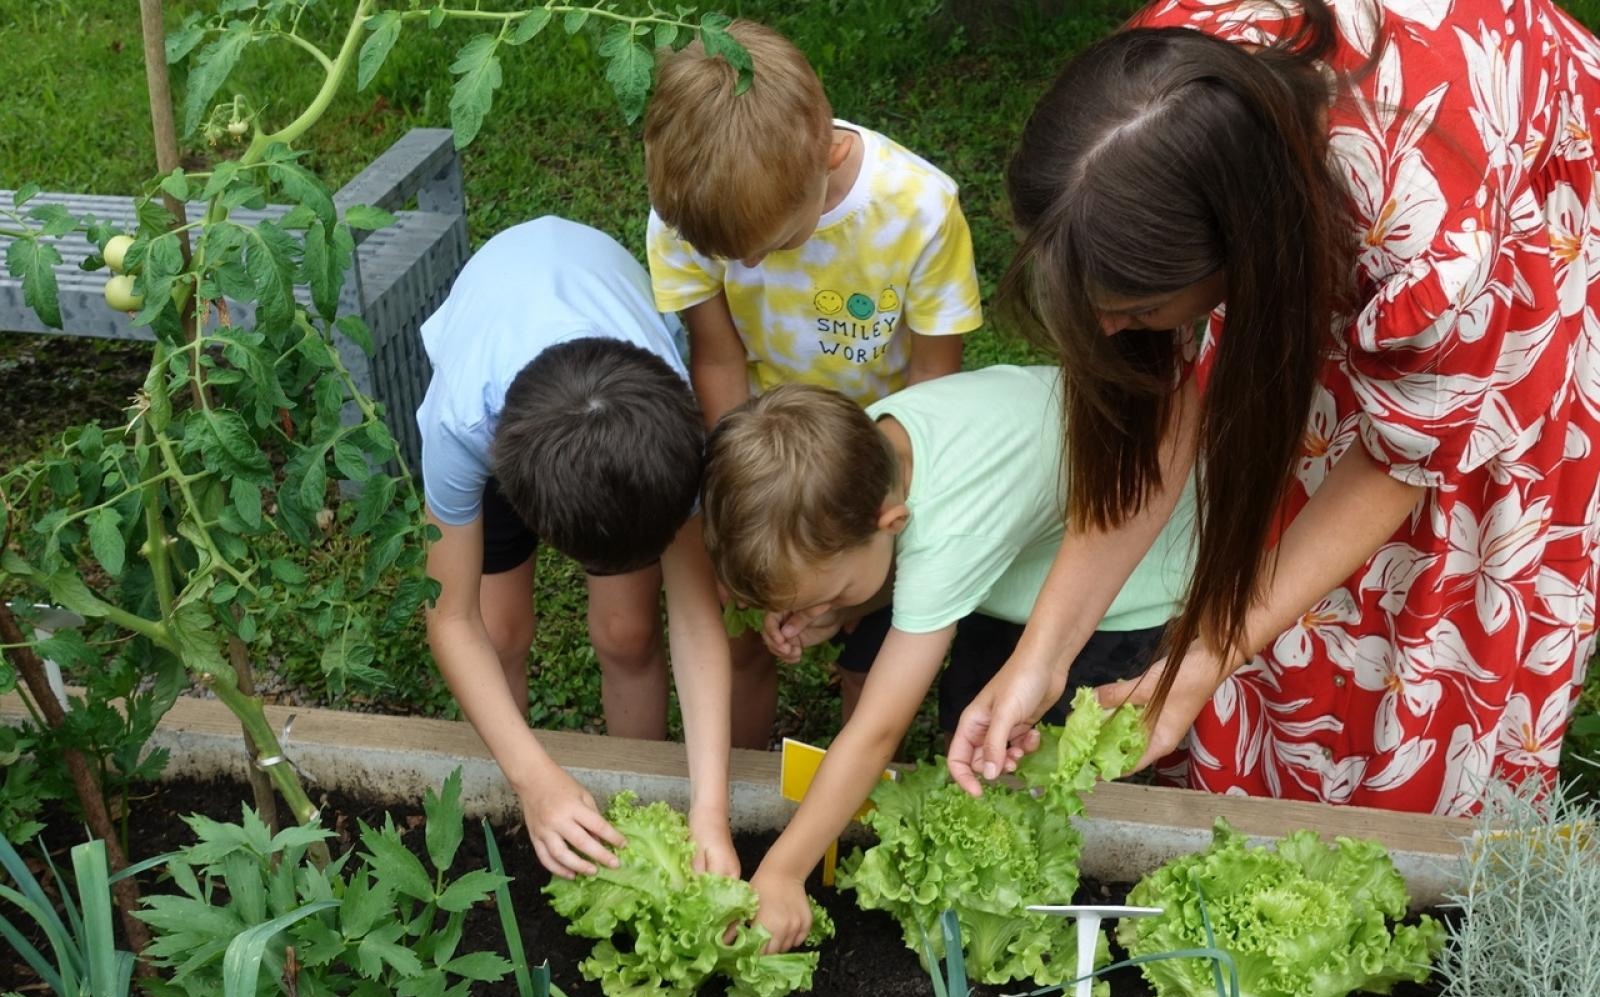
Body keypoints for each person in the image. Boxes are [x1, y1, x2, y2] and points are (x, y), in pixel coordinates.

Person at [950, 0, 1600, 817]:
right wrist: (1039, 660)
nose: (1110, 330)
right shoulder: (1155, 100)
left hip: (1513, 203)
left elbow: (1402, 460)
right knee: (1273, 549)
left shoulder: (1430, 241)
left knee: (1430, 583)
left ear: (1245, 248)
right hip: (1348, 214)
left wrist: (1203, 658)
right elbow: (1153, 414)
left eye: (1139, 311)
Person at [700, 367, 1195, 950]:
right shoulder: (863, 450)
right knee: (980, 722)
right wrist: (832, 606)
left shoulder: (953, 537)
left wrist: (781, 873)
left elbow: (878, 729)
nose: (822, 611)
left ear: (892, 524)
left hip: (1129, 582)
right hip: (1026, 548)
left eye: (830, 595)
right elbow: (909, 568)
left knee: (1063, 768)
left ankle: (1048, 897)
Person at [642, 19, 985, 731]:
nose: (755, 269)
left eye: (773, 245)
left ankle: (858, 793)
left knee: (871, 658)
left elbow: (933, 394)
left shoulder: (920, 210)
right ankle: (746, 774)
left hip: (877, 464)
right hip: (764, 450)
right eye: (735, 258)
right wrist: (742, 499)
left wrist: (865, 544)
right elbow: (719, 357)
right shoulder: (685, 218)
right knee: (746, 640)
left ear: (824, 150)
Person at [416, 216, 737, 880]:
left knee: (628, 630)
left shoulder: (673, 431)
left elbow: (698, 616)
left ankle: (632, 799)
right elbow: (451, 618)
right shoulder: (459, 426)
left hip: (610, 375)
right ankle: (526, 796)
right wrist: (536, 780)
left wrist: (708, 811)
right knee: (499, 631)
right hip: (500, 354)